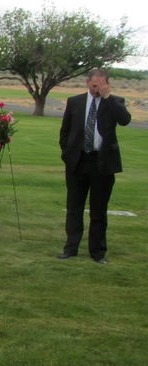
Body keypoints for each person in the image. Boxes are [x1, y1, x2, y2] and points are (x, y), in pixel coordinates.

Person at [58, 69, 131, 264]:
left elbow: (124, 120)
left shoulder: (114, 102)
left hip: (102, 163)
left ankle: (97, 252)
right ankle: (70, 248)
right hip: (78, 161)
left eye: (101, 85)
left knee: (99, 210)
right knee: (74, 208)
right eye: (94, 85)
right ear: (87, 82)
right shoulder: (75, 102)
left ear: (107, 85)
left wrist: (107, 97)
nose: (97, 89)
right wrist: (67, 154)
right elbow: (65, 132)